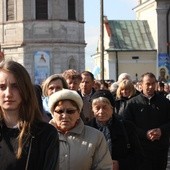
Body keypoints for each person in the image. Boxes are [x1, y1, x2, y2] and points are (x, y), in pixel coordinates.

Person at [0, 60, 59, 170]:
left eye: (15, 86)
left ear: (25, 89)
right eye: (2, 87)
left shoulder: (45, 134)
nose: (8, 94)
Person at [48, 89, 113, 170]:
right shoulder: (43, 137)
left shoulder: (96, 137)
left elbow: (104, 167)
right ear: (52, 113)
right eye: (60, 111)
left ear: (78, 113)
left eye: (70, 111)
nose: (64, 115)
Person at [123, 72, 170, 170]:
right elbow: (127, 125)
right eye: (148, 84)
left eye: (153, 83)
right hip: (140, 149)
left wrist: (161, 130)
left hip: (160, 149)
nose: (151, 87)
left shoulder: (165, 102)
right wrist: (144, 134)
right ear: (141, 85)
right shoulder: (132, 103)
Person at [88, 90, 144, 170]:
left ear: (112, 108)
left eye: (105, 107)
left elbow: (139, 157)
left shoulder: (126, 127)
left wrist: (120, 164)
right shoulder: (87, 129)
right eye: (97, 108)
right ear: (92, 110)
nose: (101, 111)